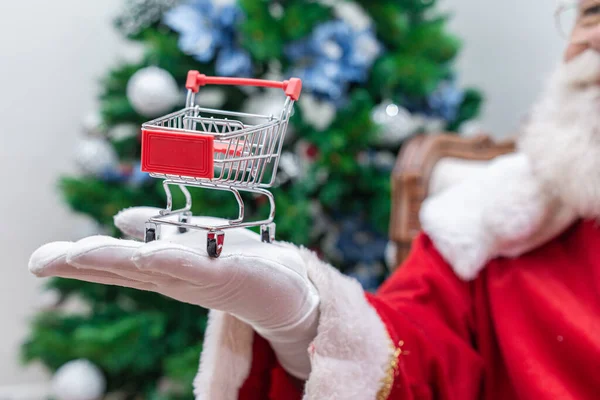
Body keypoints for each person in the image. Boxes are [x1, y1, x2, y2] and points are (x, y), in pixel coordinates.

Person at [29, 2, 600, 399]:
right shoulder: (491, 223)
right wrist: (311, 324)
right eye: (590, 13)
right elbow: (420, 352)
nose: (595, 36)